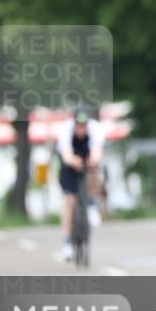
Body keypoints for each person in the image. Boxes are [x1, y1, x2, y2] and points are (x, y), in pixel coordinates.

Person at [56, 105, 104, 261]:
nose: (81, 129)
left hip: (87, 161)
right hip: (70, 164)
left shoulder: (96, 129)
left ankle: (91, 204)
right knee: (70, 201)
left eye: (84, 125)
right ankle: (67, 243)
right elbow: (66, 155)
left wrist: (92, 161)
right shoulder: (65, 130)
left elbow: (97, 151)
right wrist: (73, 160)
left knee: (95, 171)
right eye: (79, 125)